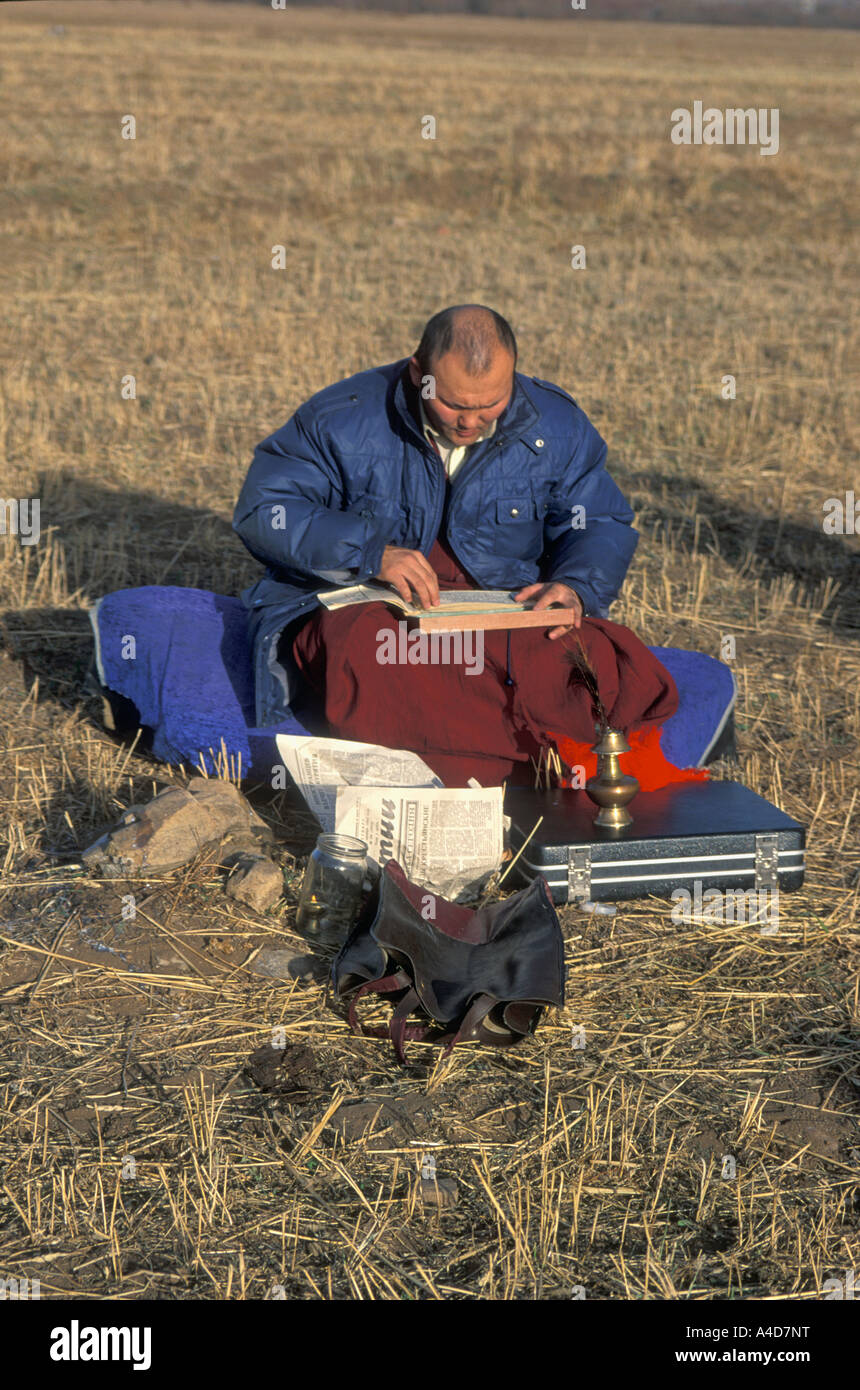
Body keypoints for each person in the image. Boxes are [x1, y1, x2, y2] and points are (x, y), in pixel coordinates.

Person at [233, 305, 679, 786]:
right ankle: (519, 769)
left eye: (490, 405)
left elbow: (598, 521)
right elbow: (266, 510)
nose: (470, 422)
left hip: (501, 605)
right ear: (418, 373)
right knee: (368, 653)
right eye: (453, 405)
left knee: (596, 663)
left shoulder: (557, 424)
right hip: (376, 601)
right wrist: (370, 552)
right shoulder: (341, 417)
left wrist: (574, 586)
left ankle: (488, 761)